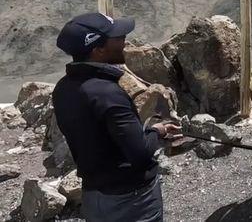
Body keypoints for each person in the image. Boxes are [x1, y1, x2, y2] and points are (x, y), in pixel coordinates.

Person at [53, 13, 180, 221]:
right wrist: (157, 132)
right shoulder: (107, 93)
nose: (124, 42)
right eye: (118, 38)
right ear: (98, 50)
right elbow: (139, 154)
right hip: (131, 201)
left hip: (94, 197)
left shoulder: (63, 88)